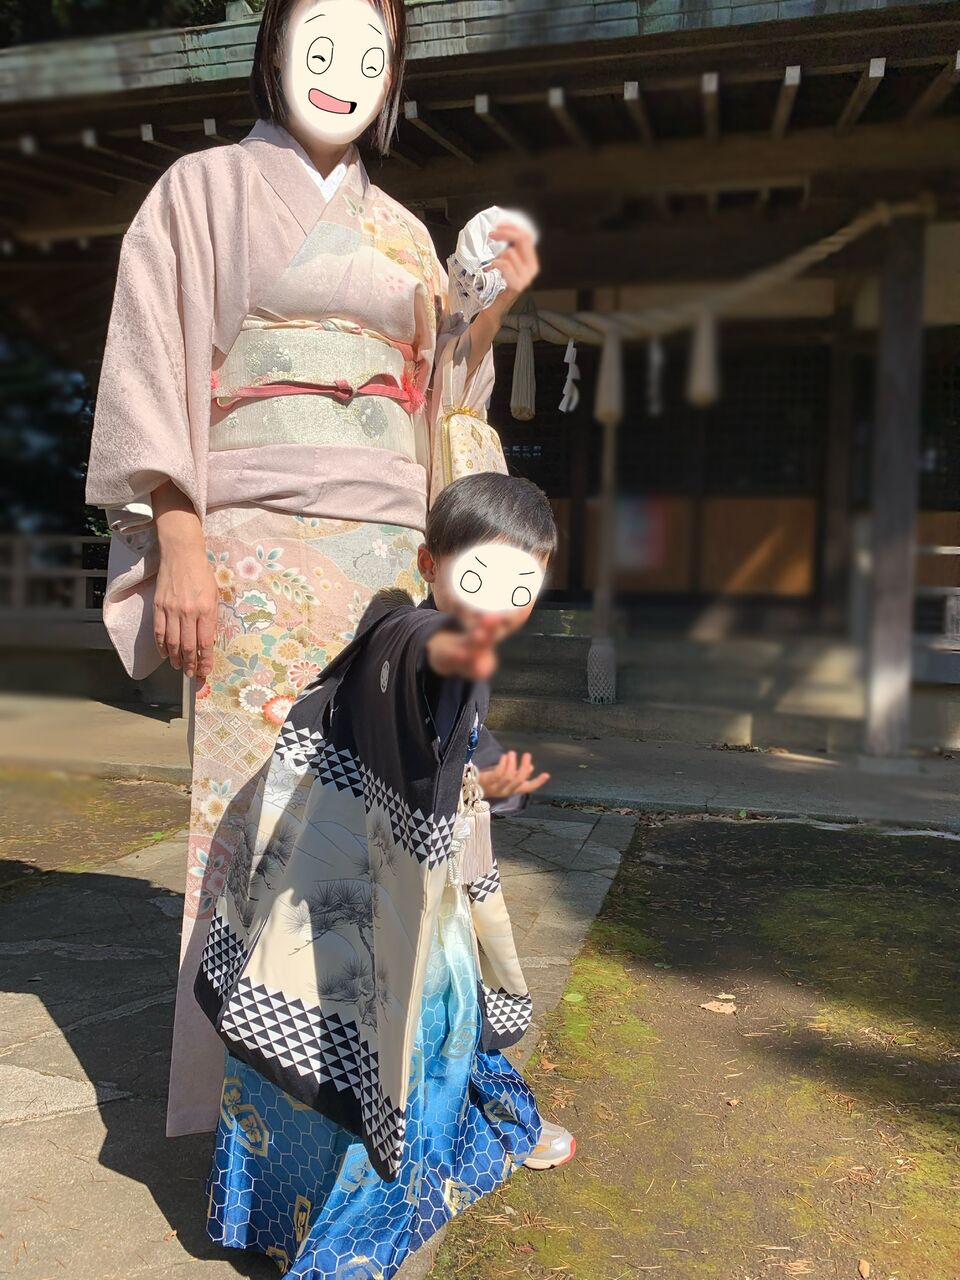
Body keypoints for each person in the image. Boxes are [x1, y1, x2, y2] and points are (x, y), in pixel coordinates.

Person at [83, 0, 546, 1138]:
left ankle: (413, 1095)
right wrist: (178, 538)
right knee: (262, 819)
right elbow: (152, 363)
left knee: (403, 811)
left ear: (394, 78)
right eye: (320, 43)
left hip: (387, 564)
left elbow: (443, 407)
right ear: (275, 49)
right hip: (254, 557)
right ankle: (257, 1116)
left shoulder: (404, 233)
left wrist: (486, 311)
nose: (343, 71)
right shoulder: (199, 192)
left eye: (370, 55)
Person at [194, 473, 574, 1279]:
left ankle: (264, 1211)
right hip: (395, 894)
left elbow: (421, 725)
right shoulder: (425, 638)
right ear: (430, 563)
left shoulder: (396, 631)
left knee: (329, 1036)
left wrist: (488, 775)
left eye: (522, 586)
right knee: (415, 1041)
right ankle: (351, 1244)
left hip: (337, 886)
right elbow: (429, 665)